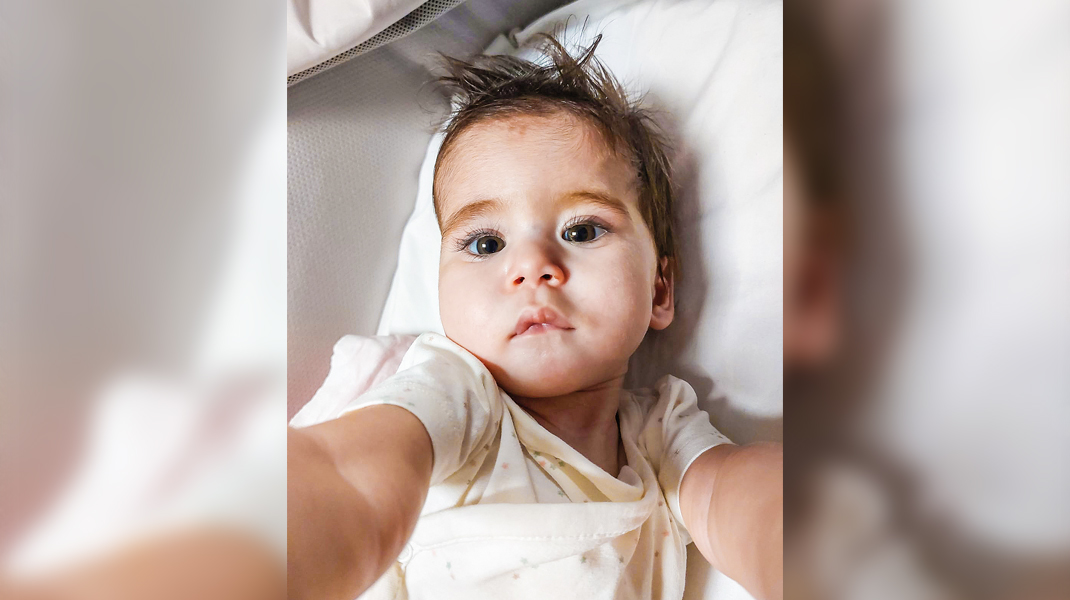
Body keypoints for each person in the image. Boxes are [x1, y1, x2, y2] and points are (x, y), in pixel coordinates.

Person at [288, 34, 783, 600]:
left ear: (659, 290)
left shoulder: (661, 431)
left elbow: (734, 498)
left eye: (582, 230)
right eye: (486, 244)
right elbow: (350, 480)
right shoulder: (456, 395)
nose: (531, 266)